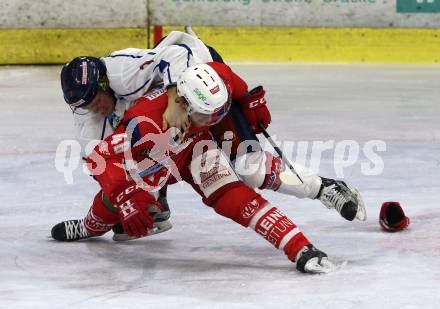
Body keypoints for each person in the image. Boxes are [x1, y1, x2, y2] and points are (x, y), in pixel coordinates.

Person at [59, 31, 365, 241]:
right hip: (173, 125)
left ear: (103, 82)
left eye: (93, 98)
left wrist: (175, 99)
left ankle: (325, 188)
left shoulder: (122, 70)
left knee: (250, 169)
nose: (92, 108)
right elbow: (100, 164)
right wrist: (125, 198)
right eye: (83, 104)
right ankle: (152, 206)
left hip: (203, 92)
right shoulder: (89, 118)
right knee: (135, 169)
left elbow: (181, 53)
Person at [52, 63, 336, 274]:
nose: (210, 121)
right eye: (204, 114)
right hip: (147, 166)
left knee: (232, 196)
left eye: (217, 115)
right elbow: (98, 157)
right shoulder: (145, 123)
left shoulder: (206, 86)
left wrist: (251, 99)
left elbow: (227, 76)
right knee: (112, 206)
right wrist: (123, 194)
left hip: (192, 150)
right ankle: (89, 227)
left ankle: (299, 246)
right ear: (183, 103)